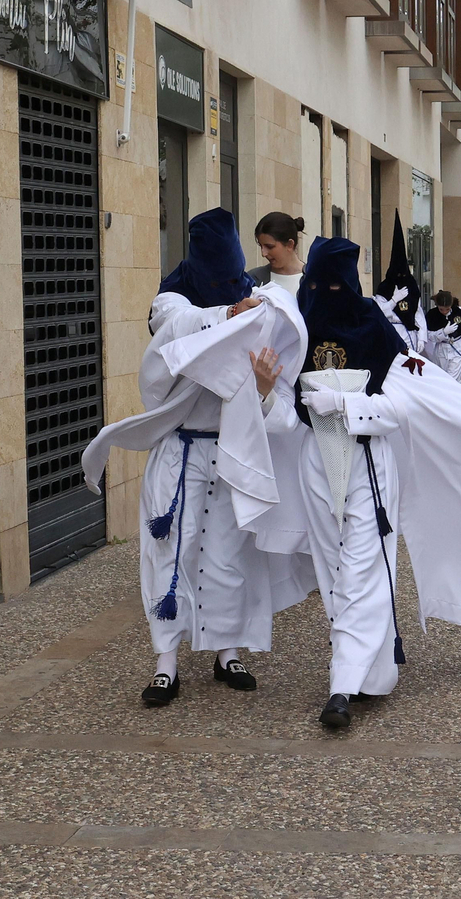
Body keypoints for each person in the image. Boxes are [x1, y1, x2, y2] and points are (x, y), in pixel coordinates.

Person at [289, 237, 461, 728]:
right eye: (317, 283)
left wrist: (349, 407)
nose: (324, 293)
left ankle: (340, 685)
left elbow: (399, 407)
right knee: (332, 568)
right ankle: (367, 671)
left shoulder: (375, 329)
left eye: (333, 283)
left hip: (366, 463)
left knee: (364, 567)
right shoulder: (295, 327)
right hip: (315, 460)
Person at [80, 208, 308, 706]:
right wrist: (226, 317)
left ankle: (227, 652)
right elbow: (175, 329)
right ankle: (166, 665)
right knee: (169, 552)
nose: (230, 289)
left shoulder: (255, 297)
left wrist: (266, 387)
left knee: (230, 556)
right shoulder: (173, 298)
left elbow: (280, 396)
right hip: (178, 452)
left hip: (230, 451)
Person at [372, 210, 427, 355]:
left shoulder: (411, 287)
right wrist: (393, 300)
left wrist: (422, 337)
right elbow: (379, 312)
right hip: (391, 331)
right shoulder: (384, 288)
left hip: (410, 333)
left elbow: (418, 314)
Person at [423, 289, 461, 378]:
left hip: (457, 349)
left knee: (453, 379)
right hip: (441, 350)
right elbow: (430, 336)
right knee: (441, 378)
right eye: (441, 309)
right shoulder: (432, 315)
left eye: (447, 309)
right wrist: (443, 333)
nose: (444, 312)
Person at [248, 212, 306, 294]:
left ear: (290, 244)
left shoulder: (316, 280)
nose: (263, 253)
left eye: (269, 246)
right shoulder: (251, 279)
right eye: (261, 246)